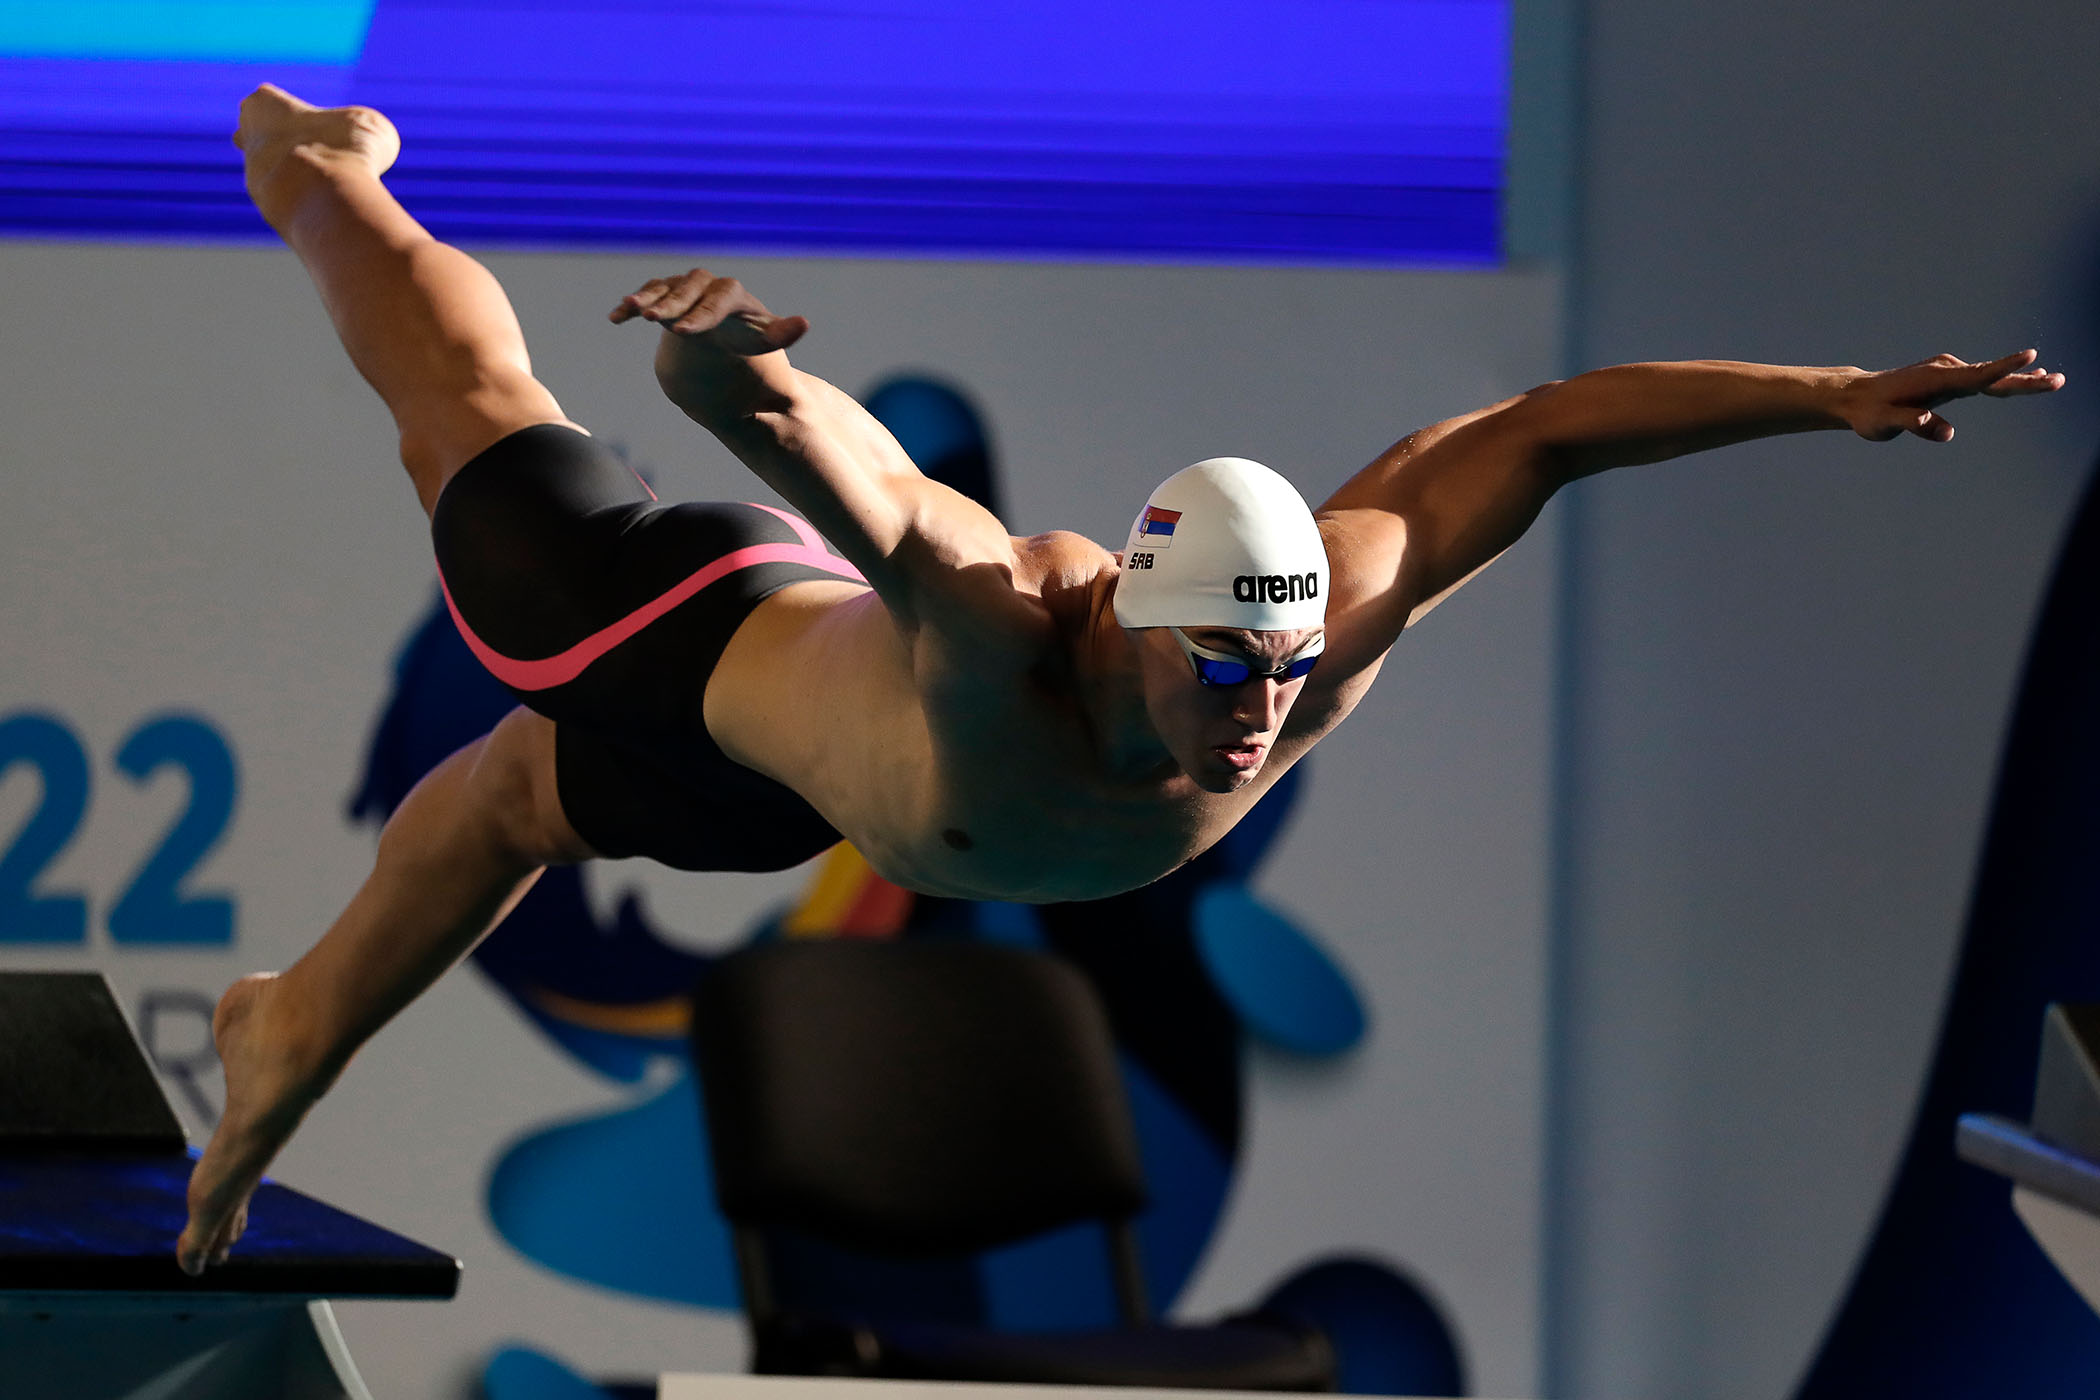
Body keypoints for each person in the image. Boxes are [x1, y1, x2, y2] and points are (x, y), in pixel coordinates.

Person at [177, 84, 2065, 1274]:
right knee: (482, 435)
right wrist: (722, 367)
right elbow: (852, 478)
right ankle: (330, 178)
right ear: (1124, 624)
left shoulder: (1328, 625)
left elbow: (1546, 428)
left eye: (1283, 660)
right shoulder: (1000, 618)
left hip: (798, 797)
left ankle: (291, 1018)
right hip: (674, 630)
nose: (1259, 703)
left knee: (530, 797)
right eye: (1222, 662)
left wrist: (1824, 397)